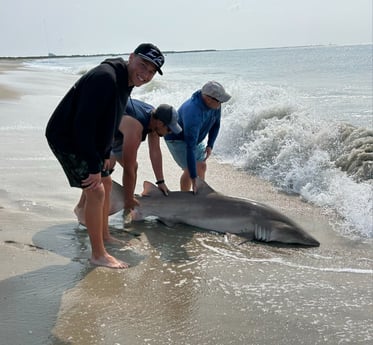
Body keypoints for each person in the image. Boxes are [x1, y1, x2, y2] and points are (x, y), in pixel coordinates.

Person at [45, 43, 165, 269]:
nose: (146, 74)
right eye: (143, 65)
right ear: (131, 57)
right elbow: (84, 125)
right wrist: (93, 166)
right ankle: (98, 254)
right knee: (96, 190)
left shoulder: (126, 80)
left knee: (107, 182)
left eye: (151, 71)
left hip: (85, 137)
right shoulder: (106, 78)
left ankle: (105, 236)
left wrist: (107, 153)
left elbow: (109, 120)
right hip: (66, 137)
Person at [74, 98, 182, 223]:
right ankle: (82, 207)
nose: (169, 133)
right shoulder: (137, 126)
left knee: (133, 166)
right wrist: (129, 197)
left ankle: (127, 205)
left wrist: (160, 181)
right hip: (100, 130)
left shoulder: (154, 121)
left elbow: (155, 152)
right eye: (169, 129)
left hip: (118, 132)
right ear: (160, 123)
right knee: (107, 166)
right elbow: (128, 169)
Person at [165, 81, 231, 193]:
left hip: (194, 138)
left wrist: (210, 145)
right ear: (208, 98)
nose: (221, 104)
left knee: (201, 166)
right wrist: (194, 178)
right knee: (190, 171)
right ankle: (185, 197)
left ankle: (200, 194)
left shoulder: (216, 105)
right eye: (219, 101)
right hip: (177, 139)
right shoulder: (193, 112)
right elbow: (190, 147)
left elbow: (216, 124)